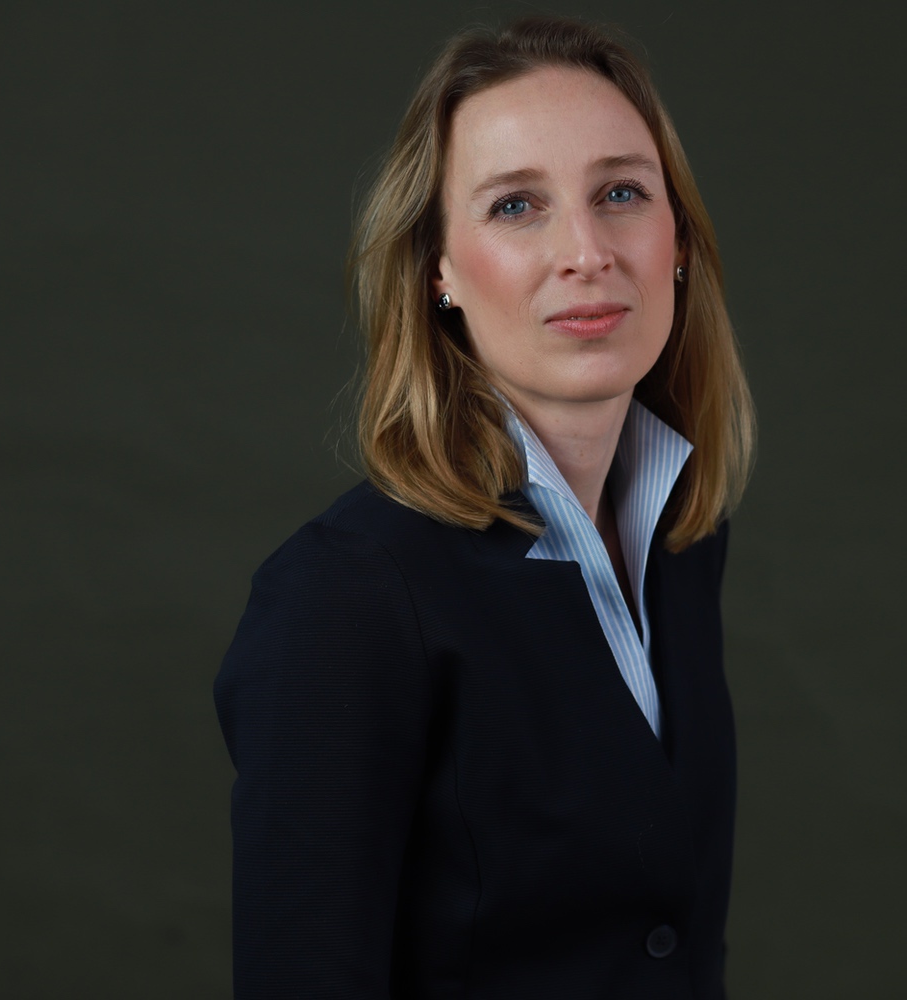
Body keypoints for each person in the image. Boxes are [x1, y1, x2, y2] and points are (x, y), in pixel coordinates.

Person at [214, 15, 755, 998]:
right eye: (516, 206)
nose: (586, 251)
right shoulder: (345, 596)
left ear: (677, 240)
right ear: (440, 271)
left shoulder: (682, 541)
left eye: (621, 193)